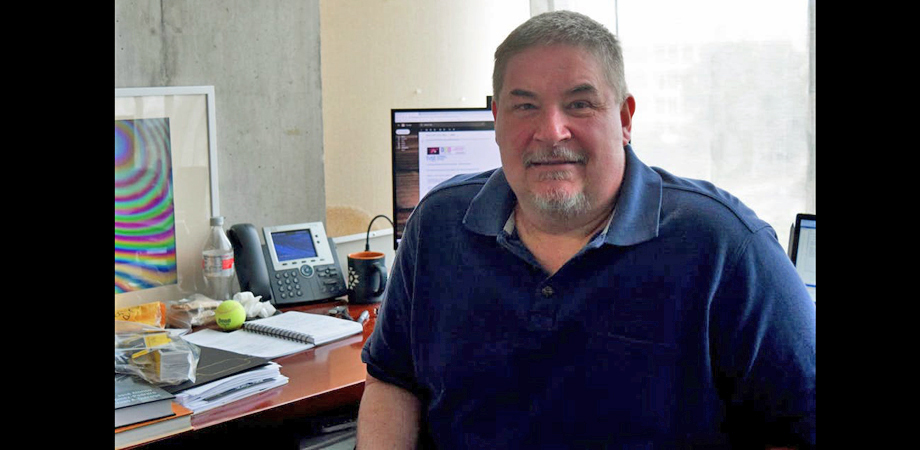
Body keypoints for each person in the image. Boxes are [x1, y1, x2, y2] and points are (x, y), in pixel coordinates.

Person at [357, 10, 815, 449]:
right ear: (496, 119)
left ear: (624, 118)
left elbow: (801, 424)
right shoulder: (437, 225)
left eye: (579, 103)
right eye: (525, 106)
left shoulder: (726, 247)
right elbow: (393, 380)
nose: (551, 131)